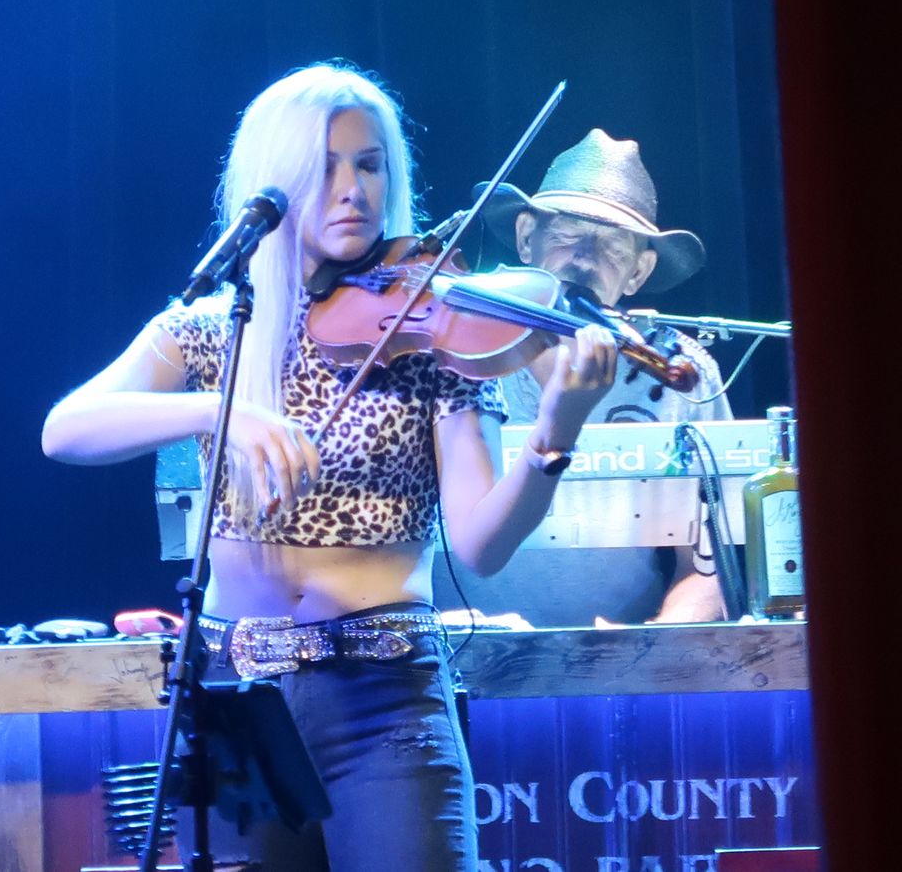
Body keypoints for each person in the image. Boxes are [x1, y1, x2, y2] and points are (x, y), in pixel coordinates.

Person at [42, 63, 618, 871]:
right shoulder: (216, 328)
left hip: (383, 698)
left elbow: (482, 544)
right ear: (274, 184)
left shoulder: (434, 331)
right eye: (326, 167)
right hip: (241, 701)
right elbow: (64, 430)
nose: (354, 190)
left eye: (371, 164)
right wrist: (217, 411)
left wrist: (556, 429)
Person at [431, 129, 733, 628]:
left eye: (612, 246)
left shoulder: (684, 371)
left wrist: (651, 646)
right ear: (526, 238)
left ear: (638, 273)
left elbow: (707, 567)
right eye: (567, 233)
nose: (584, 258)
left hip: (618, 661)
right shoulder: (453, 349)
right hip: (461, 649)